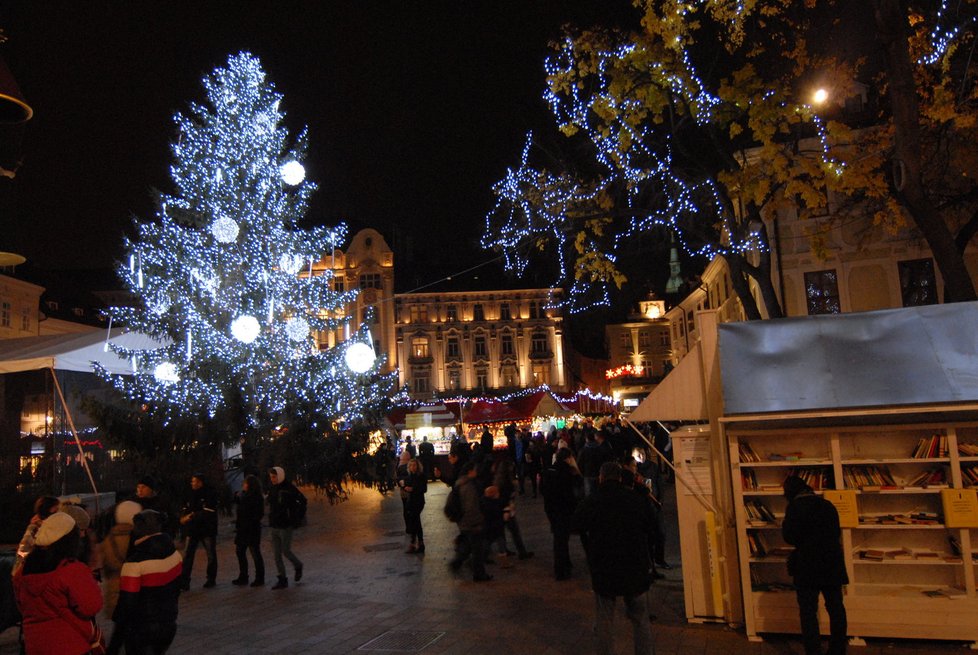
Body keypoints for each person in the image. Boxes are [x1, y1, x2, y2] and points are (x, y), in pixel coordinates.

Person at [574, 461, 656, 655]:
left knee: (604, 620)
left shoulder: (593, 500)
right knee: (640, 619)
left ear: (601, 478)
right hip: (634, 565)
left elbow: (576, 523)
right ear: (620, 478)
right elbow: (652, 525)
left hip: (605, 566)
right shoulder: (634, 498)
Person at [13, 512, 104, 655]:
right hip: (70, 644)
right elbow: (91, 606)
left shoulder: (23, 572)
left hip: (35, 645)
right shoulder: (72, 570)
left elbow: (21, 605)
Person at [782, 475, 848, 655]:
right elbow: (836, 532)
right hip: (832, 562)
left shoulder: (794, 508)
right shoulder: (827, 505)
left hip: (807, 564)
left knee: (808, 611)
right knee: (836, 607)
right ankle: (838, 649)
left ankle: (813, 650)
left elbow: (789, 536)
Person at [115, 509, 182, 654]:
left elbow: (127, 603)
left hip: (142, 629)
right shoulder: (175, 554)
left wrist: (116, 639)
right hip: (168, 623)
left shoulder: (134, 564)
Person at [99, 500, 142, 655]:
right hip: (134, 588)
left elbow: (105, 567)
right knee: (129, 632)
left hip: (115, 589)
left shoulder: (108, 539)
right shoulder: (138, 538)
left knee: (121, 627)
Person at [541, 447, 583, 580]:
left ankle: (565, 563)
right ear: (568, 458)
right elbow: (577, 488)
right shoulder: (567, 472)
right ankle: (560, 570)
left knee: (560, 539)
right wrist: (576, 470)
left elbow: (542, 489)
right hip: (564, 510)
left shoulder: (548, 470)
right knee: (561, 540)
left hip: (551, 509)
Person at [448, 461, 492, 582]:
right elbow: (471, 507)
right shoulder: (469, 486)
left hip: (463, 521)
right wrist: (477, 522)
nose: (476, 472)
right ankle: (479, 574)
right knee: (477, 549)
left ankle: (457, 563)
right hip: (470, 522)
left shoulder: (460, 483)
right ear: (470, 471)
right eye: (474, 470)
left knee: (468, 545)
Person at [267, 466, 305, 589]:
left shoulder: (289, 489)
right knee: (276, 554)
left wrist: (296, 518)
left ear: (280, 475)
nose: (272, 479)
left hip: (285, 525)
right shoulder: (272, 489)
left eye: (274, 477)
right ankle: (282, 578)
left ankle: (298, 565)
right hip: (274, 524)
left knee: (286, 550)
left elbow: (302, 501)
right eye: (271, 477)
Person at [179, 473, 219, 590]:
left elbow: (208, 511)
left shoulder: (209, 493)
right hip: (192, 529)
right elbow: (185, 507)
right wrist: (183, 517)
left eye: (195, 481)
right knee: (187, 555)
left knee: (210, 554)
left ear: (201, 482)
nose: (192, 483)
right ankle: (184, 581)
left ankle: (211, 578)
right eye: (192, 481)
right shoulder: (189, 493)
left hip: (207, 528)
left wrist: (191, 516)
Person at [13, 495, 61, 575]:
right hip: (33, 572)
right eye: (57, 507)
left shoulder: (48, 525)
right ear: (52, 509)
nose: (59, 511)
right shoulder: (36, 527)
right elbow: (24, 549)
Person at [232, 474, 265, 587]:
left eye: (245, 484)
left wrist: (250, 521)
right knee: (240, 552)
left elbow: (258, 514)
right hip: (242, 529)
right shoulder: (243, 496)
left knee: (255, 553)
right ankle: (243, 576)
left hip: (251, 529)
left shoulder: (256, 497)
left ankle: (259, 578)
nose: (243, 485)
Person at [401, 458, 427, 553]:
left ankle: (415, 542)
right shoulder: (409, 476)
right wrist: (404, 487)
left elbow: (424, 489)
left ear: (418, 466)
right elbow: (404, 486)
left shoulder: (421, 476)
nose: (413, 467)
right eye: (411, 465)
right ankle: (418, 543)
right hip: (411, 501)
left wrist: (413, 489)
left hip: (418, 501)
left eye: (414, 465)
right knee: (415, 521)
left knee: (415, 520)